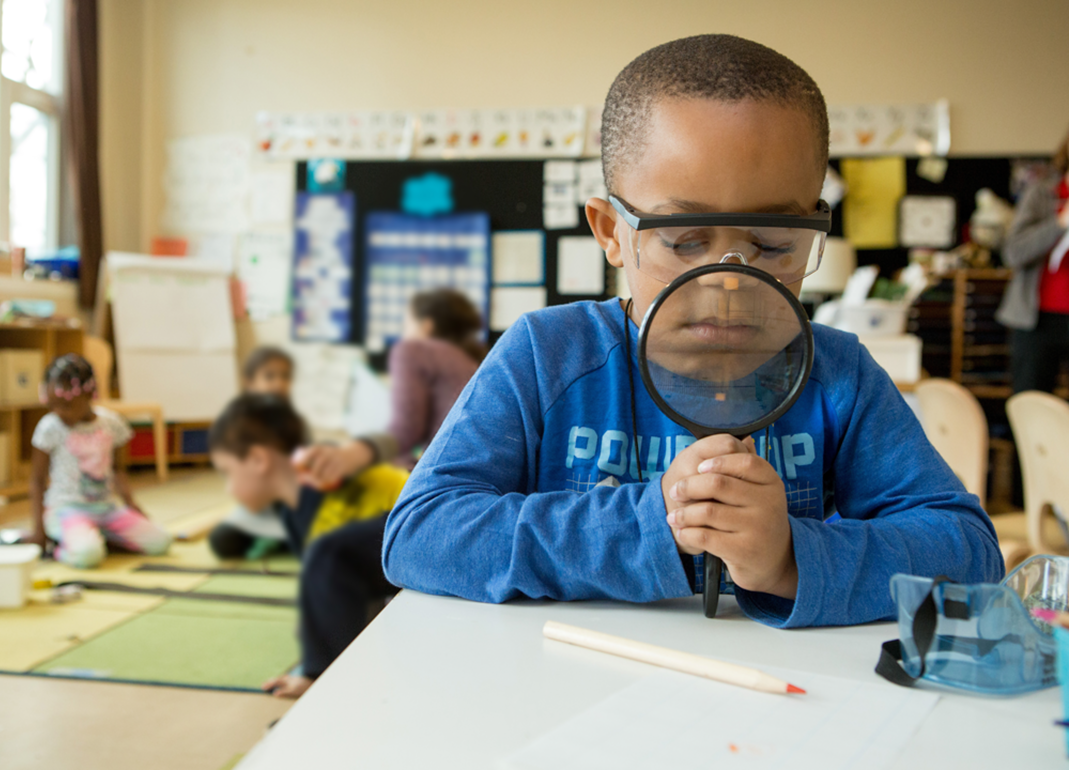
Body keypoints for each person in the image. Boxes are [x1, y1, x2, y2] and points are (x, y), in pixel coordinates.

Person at [382, 35, 1003, 626]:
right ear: (609, 233)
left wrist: (791, 558)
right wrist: (653, 525)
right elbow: (420, 534)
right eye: (683, 240)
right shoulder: (547, 355)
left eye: (774, 242)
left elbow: (968, 552)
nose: (728, 283)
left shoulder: (836, 373)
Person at [209, 394, 405, 698]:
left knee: (329, 556)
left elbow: (343, 583)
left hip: (416, 526)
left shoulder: (319, 486)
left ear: (259, 460)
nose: (228, 487)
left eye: (228, 472)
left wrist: (316, 669)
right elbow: (332, 597)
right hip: (395, 543)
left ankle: (325, 682)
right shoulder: (293, 506)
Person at [293, 288, 484, 485]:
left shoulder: (413, 349)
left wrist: (348, 455)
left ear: (426, 326)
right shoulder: (471, 363)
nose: (404, 334)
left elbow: (406, 431)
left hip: (443, 488)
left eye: (406, 324)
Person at [29, 354, 171, 568]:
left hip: (107, 509)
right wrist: (38, 530)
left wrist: (131, 504)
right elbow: (37, 480)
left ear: (89, 394)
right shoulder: (50, 427)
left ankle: (99, 540)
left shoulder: (112, 423)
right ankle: (65, 546)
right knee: (87, 556)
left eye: (66, 406)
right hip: (67, 510)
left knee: (161, 541)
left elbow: (118, 470)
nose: (58, 412)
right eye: (53, 405)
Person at [996, 126, 1069, 393]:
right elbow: (1013, 252)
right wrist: (1059, 223)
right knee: (1030, 402)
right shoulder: (1041, 194)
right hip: (1037, 321)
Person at [207, 346, 296, 559]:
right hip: (256, 510)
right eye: (269, 376)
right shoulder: (237, 421)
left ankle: (283, 539)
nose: (278, 383)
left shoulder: (292, 421)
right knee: (221, 540)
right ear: (249, 382)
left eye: (285, 377)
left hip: (290, 505)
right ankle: (276, 539)